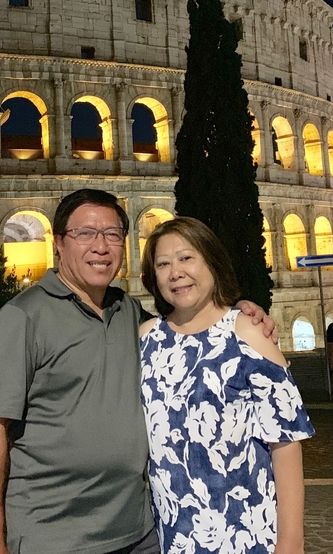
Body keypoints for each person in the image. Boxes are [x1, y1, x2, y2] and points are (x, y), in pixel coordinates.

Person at [0, 189, 274, 554]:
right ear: (59, 243)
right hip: (55, 535)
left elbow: (187, 327)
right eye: (85, 234)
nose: (101, 246)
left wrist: (235, 312)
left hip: (138, 531)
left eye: (112, 234)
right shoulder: (23, 317)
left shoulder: (128, 312)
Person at [139, 217, 313, 554]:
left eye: (187, 258)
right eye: (163, 264)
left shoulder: (248, 333)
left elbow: (286, 443)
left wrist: (291, 543)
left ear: (212, 263)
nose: (175, 272)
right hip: (172, 536)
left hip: (246, 534)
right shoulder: (146, 340)